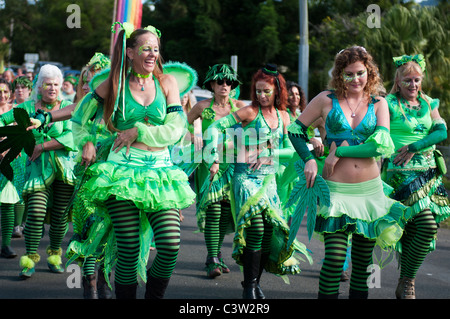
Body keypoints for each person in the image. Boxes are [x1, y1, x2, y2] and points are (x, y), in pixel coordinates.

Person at [69, 22, 195, 299]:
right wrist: (86, 142)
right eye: (145, 49)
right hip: (121, 172)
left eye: (156, 49)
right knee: (127, 246)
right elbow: (77, 121)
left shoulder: (166, 82)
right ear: (130, 52)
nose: (152, 54)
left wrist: (141, 130)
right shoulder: (113, 84)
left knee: (171, 245)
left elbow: (176, 128)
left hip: (160, 172)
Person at [288, 46, 412, 299]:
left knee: (362, 266)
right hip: (336, 191)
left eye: (360, 73)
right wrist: (310, 159)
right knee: (334, 260)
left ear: (369, 73)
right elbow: (294, 130)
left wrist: (339, 152)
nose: (355, 79)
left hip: (369, 193)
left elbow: (379, 145)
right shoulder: (325, 99)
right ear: (339, 75)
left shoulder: (379, 103)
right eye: (348, 74)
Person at [206, 64, 311, 299]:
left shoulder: (284, 117)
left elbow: (291, 148)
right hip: (244, 179)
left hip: (269, 182)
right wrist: (214, 153)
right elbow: (215, 127)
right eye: (258, 91)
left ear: (277, 91)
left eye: (267, 91)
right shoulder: (248, 112)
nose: (262, 96)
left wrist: (269, 154)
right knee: (256, 228)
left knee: (268, 234)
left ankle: (253, 282)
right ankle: (249, 288)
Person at [382, 54, 450, 299]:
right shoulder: (387, 103)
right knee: (423, 225)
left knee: (425, 229)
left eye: (417, 80)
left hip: (429, 175)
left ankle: (406, 280)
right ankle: (408, 280)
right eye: (407, 80)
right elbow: (380, 134)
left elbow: (441, 130)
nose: (413, 85)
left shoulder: (429, 102)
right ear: (398, 82)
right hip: (400, 176)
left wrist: (415, 146)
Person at [0, 64, 76, 278]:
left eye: (56, 84)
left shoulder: (68, 106)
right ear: (40, 86)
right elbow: (2, 120)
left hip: (63, 169)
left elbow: (71, 137)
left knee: (60, 216)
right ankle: (30, 258)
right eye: (48, 84)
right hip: (37, 170)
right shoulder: (27, 107)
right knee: (35, 212)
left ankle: (54, 254)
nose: (52, 88)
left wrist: (41, 146)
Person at [187, 64, 246, 278]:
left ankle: (216, 253)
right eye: (220, 81)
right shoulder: (202, 107)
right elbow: (183, 126)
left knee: (226, 215)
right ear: (211, 84)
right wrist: (194, 136)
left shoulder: (239, 107)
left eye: (228, 82)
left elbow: (254, 128)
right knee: (213, 211)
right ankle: (213, 259)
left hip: (233, 166)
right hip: (209, 165)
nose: (224, 85)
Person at [63, 52, 113, 299]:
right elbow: (63, 114)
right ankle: (90, 285)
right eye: (83, 81)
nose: (84, 85)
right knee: (89, 227)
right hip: (87, 175)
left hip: (115, 177)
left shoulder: (120, 108)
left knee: (108, 229)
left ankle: (103, 283)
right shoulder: (81, 108)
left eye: (89, 80)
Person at [0, 79, 26, 257]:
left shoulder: (16, 111)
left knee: (11, 200)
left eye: (5, 91)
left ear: (10, 93)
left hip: (13, 160)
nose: (2, 95)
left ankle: (6, 244)